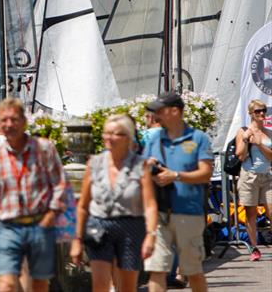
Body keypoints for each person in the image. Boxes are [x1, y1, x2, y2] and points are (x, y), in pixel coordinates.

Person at [0, 98, 67, 292]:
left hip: (39, 225)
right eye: (4, 120)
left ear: (24, 121)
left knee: (38, 286)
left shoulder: (43, 148)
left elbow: (60, 184)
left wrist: (51, 215)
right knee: (7, 285)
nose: (9, 125)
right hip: (7, 227)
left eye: (14, 119)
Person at [70, 115, 158, 292]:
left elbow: (149, 205)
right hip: (99, 226)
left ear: (128, 137)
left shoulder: (139, 166)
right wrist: (77, 239)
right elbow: (82, 206)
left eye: (115, 134)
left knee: (126, 286)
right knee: (100, 284)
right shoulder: (94, 164)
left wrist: (151, 235)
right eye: (106, 133)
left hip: (130, 226)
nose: (109, 138)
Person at [142, 92, 213, 292]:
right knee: (157, 270)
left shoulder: (198, 138)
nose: (155, 115)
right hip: (160, 214)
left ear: (175, 111)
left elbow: (206, 174)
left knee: (193, 272)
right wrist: (148, 167)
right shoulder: (154, 140)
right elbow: (142, 170)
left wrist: (175, 175)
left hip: (188, 214)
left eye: (160, 110)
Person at [235, 99, 272, 262]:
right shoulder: (243, 130)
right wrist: (245, 139)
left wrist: (259, 143)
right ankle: (255, 248)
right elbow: (240, 156)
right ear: (251, 113)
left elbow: (271, 156)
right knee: (250, 213)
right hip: (249, 176)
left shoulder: (269, 133)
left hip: (267, 176)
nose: (262, 114)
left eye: (263, 110)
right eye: (258, 111)